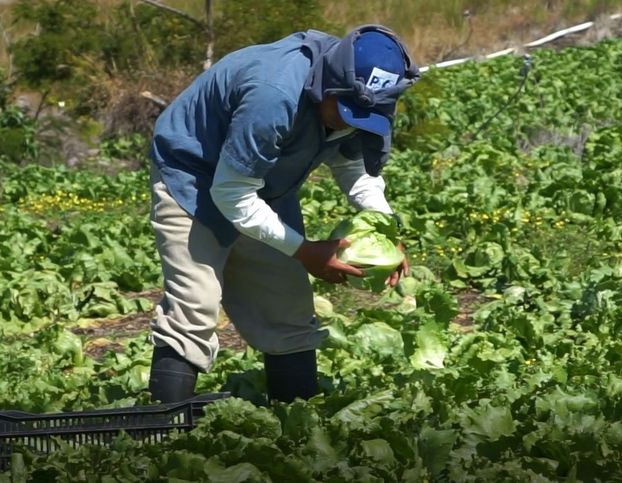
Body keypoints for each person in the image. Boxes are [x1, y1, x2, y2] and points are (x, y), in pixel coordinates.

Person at [147, 24, 419, 404]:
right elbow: (232, 193)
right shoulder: (273, 95)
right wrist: (305, 250)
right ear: (329, 85)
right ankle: (162, 432)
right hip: (194, 173)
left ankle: (299, 431)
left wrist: (384, 227)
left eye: (363, 118)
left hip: (266, 184)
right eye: (345, 113)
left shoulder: (363, 95)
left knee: (286, 308)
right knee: (195, 301)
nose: (349, 123)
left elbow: (352, 167)